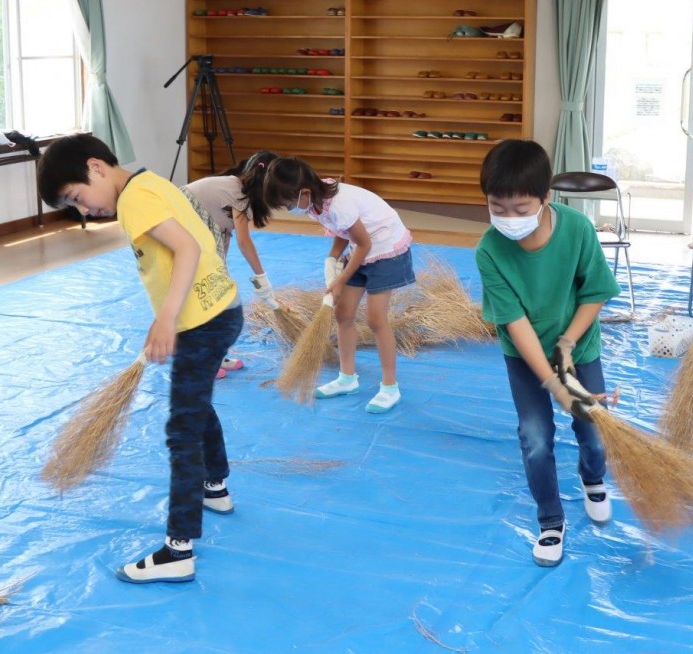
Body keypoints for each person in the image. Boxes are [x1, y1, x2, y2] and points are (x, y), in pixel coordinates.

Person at [37, 134, 243, 584]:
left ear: (96, 167)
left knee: (181, 430)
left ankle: (179, 549)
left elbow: (187, 248)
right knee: (197, 403)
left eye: (77, 198)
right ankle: (217, 486)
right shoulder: (151, 182)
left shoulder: (134, 201)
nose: (85, 210)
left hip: (200, 322)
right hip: (223, 310)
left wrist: (167, 319)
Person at [474, 139, 620, 567]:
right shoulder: (489, 251)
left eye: (520, 208)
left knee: (592, 426)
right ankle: (551, 521)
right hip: (525, 356)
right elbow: (515, 325)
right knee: (536, 438)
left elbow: (594, 293)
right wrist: (554, 380)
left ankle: (592, 478)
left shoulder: (576, 229)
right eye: (497, 207)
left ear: (546, 198)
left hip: (578, 343)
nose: (508, 218)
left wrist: (568, 344)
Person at [263, 157, 414, 413]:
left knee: (376, 319)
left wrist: (340, 279)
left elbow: (364, 243)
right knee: (343, 313)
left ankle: (390, 387)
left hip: (386, 250)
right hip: (361, 249)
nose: (289, 209)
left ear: (305, 192)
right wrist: (332, 258)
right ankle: (347, 378)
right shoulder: (315, 202)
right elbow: (344, 234)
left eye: (289, 204)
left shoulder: (338, 204)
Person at [182, 150, 280, 377]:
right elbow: (245, 243)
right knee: (205, 295)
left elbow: (223, 231)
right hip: (184, 226)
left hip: (198, 227)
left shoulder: (236, 188)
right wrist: (262, 278)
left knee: (217, 288)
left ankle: (215, 354)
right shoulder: (239, 194)